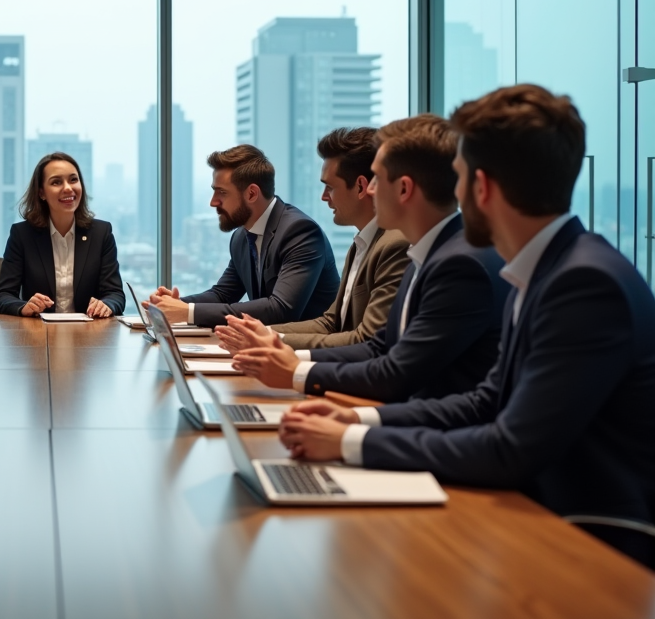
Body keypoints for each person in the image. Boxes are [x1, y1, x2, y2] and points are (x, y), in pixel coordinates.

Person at [278, 85, 655, 566]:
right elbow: (487, 400)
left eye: (456, 179)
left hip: (590, 540)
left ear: (481, 187)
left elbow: (510, 448)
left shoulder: (582, 283)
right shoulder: (547, 267)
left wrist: (355, 441)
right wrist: (356, 420)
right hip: (531, 510)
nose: (451, 195)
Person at [222, 115, 509, 402]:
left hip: (425, 426)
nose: (371, 190)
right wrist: (274, 344)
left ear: (404, 189)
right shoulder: (423, 251)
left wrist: (295, 369)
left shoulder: (451, 263)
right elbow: (377, 346)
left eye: (377, 179)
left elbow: (393, 369)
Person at [147, 144, 339, 328]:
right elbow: (223, 294)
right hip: (268, 347)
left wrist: (187, 312)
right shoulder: (242, 236)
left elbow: (281, 309)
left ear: (252, 194)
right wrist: (174, 305)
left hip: (312, 352)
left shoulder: (299, 231)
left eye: (221, 192)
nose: (213, 202)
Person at [269, 127, 410, 349]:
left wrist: (273, 341)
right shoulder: (361, 244)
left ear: (362, 187)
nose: (324, 197)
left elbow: (368, 339)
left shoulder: (395, 245)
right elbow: (332, 322)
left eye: (330, 187)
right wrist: (263, 332)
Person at [0, 152, 125, 318]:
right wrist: (24, 306)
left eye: (73, 180)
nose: (68, 188)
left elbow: (116, 294)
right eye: (56, 182)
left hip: (89, 336)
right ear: (41, 193)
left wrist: (107, 305)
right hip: (38, 335)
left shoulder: (101, 233)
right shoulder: (22, 235)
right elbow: (1, 297)